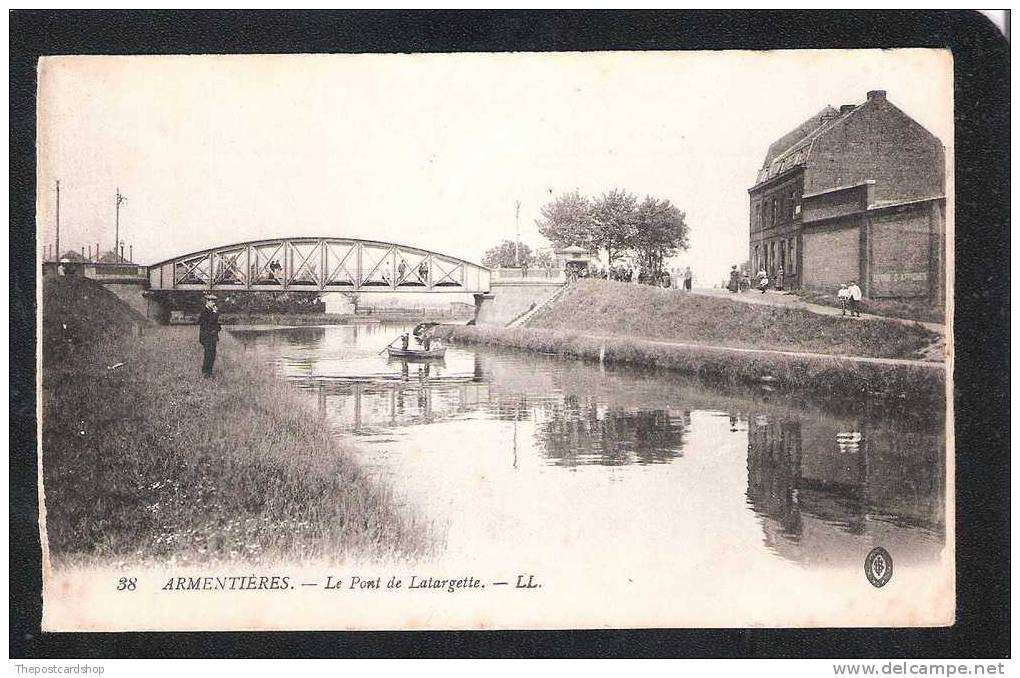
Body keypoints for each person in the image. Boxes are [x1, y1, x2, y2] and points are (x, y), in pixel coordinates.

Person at [198, 294, 221, 377]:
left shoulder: (211, 312)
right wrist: (215, 314)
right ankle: (206, 372)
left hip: (212, 336)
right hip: (207, 337)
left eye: (214, 301)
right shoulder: (204, 312)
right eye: (212, 301)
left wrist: (218, 328)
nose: (214, 303)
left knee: (212, 354)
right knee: (208, 354)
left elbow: (216, 324)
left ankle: (208, 372)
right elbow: (208, 324)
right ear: (207, 302)